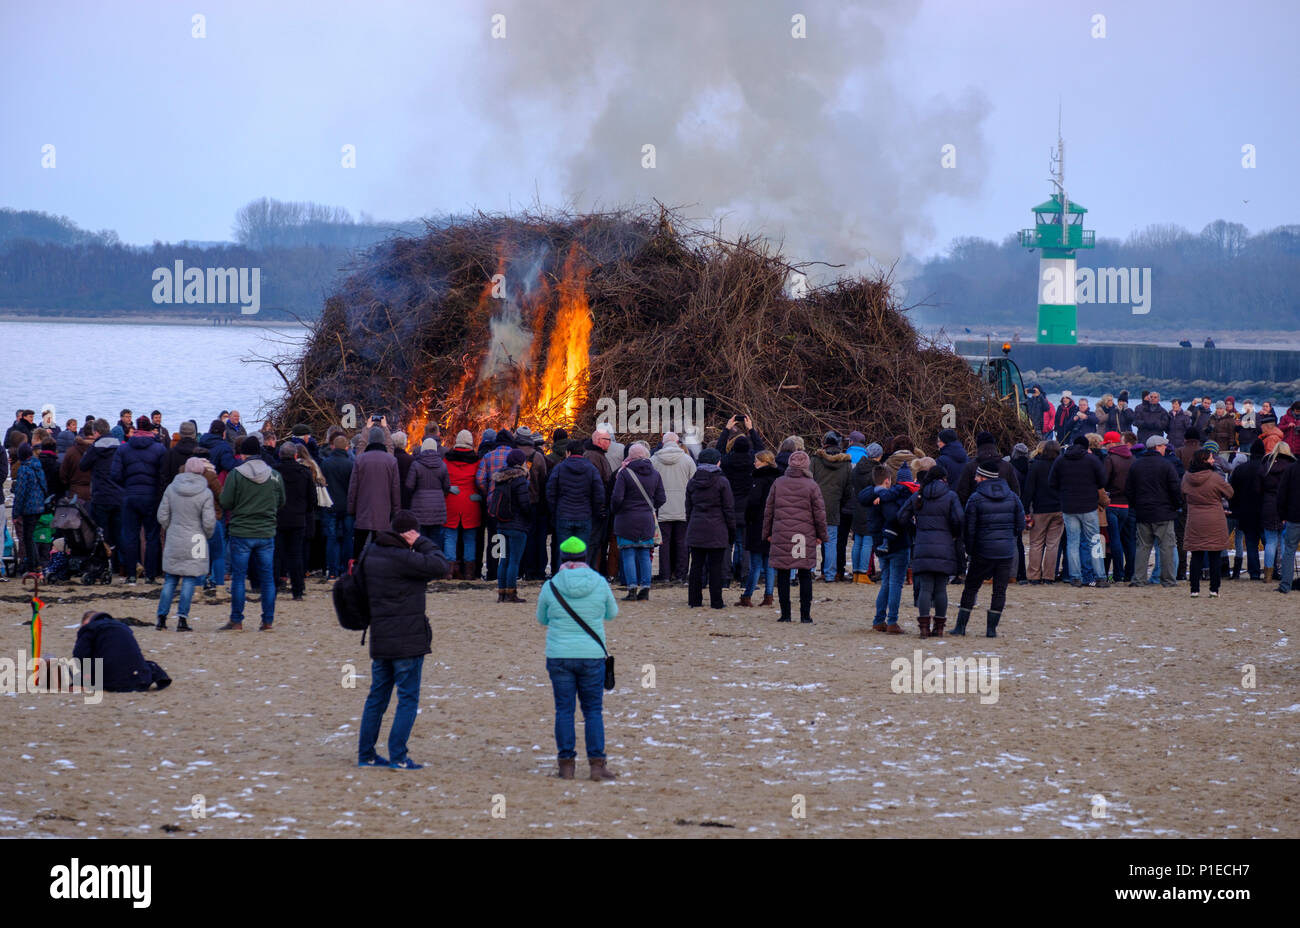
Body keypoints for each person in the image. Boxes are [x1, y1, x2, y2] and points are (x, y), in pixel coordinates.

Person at [356, 510, 450, 769]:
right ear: (410, 534)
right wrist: (421, 541)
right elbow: (441, 565)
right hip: (407, 639)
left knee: (377, 696)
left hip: (381, 636)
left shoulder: (371, 554)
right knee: (407, 698)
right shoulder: (405, 559)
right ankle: (398, 756)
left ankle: (366, 754)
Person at [536, 535, 619, 781]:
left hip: (559, 655)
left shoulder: (551, 585)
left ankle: (566, 765)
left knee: (564, 710)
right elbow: (612, 614)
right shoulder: (599, 582)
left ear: (561, 558)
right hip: (592, 655)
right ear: (586, 557)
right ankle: (596, 764)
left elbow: (542, 619)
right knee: (593, 710)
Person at [218, 436, 286, 631]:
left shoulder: (236, 474)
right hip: (266, 531)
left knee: (239, 578)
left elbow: (226, 502)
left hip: (241, 531)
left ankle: (237, 620)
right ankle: (267, 621)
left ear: (243, 454)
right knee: (267, 578)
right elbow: (281, 501)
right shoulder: (274, 475)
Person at [953, 464, 1024, 637]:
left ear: (984, 477)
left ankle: (961, 627)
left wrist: (970, 550)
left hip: (982, 551)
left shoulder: (976, 498)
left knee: (971, 588)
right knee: (999, 591)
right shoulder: (1013, 497)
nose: (975, 479)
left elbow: (969, 529)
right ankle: (991, 630)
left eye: (977, 476)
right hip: (1006, 551)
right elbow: (1020, 524)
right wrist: (1008, 538)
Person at [762, 449, 826, 623]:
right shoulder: (812, 485)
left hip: (781, 533)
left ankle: (785, 614)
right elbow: (819, 513)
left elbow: (769, 511)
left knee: (783, 574)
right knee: (804, 574)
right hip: (803, 536)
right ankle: (805, 615)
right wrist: (822, 535)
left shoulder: (778, 483)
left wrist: (767, 533)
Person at [899, 463, 963, 638]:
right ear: (944, 479)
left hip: (922, 545)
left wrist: (915, 531)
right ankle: (939, 628)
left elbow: (901, 516)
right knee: (941, 588)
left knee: (925, 588)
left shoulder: (919, 496)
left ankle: (924, 628)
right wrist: (953, 535)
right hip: (945, 546)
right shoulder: (950, 496)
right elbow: (959, 519)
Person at [155, 458, 217, 630]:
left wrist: (170, 528)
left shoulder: (171, 489)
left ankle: (161, 617)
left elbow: (162, 515)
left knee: (171, 579)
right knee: (190, 578)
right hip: (196, 539)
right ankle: (182, 618)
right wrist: (207, 535)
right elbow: (209, 522)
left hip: (175, 536)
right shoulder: (205, 493)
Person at [110, 416, 167, 585]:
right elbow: (163, 475)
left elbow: (115, 475)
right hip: (151, 497)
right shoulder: (159, 449)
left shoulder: (124, 449)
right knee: (152, 536)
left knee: (130, 536)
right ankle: (150, 575)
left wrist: (127, 486)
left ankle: (132, 575)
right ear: (150, 429)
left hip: (130, 495)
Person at [860, 464, 915, 631]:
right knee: (895, 583)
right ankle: (891, 621)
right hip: (897, 543)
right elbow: (895, 517)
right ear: (887, 480)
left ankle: (879, 620)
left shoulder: (871, 496)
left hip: (879, 543)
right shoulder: (889, 497)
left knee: (886, 582)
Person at [1050, 435, 1109, 587]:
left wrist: (1063, 494)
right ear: (1086, 446)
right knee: (1094, 541)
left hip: (1069, 507)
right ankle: (1101, 577)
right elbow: (1103, 481)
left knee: (1073, 542)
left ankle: (1075, 577)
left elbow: (1052, 482)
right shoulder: (1092, 460)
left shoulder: (1061, 460)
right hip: (1089, 506)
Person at [611, 443, 666, 601]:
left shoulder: (624, 473)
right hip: (646, 518)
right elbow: (662, 498)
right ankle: (646, 587)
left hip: (626, 519)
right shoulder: (655, 474)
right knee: (644, 553)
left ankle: (632, 588)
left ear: (630, 456)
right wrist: (649, 507)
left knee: (628, 553)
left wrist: (617, 510)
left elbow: (617, 498)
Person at [1125, 435, 1182, 588]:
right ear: (1157, 447)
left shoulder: (1136, 465)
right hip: (1164, 511)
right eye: (1163, 446)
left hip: (1143, 512)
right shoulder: (1166, 465)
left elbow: (1129, 489)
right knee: (1167, 547)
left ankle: (1139, 579)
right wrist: (1176, 506)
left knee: (1142, 547)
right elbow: (1175, 488)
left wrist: (1135, 506)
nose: (1165, 448)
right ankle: (1168, 580)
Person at [685, 447, 735, 610]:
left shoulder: (693, 481)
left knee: (696, 565)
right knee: (716, 566)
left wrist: (691, 523)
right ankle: (716, 601)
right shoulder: (722, 481)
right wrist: (731, 530)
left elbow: (689, 507)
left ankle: (694, 600)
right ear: (717, 462)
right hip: (717, 527)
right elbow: (728, 508)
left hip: (697, 525)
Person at [73, 611, 171, 692]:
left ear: (85, 623)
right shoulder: (123, 627)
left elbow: (80, 655)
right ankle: (160, 678)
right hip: (139, 679)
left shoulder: (90, 628)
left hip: (111, 681)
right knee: (148, 665)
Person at [1181, 448, 1233, 598]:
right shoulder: (1214, 477)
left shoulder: (1186, 477)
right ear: (1204, 461)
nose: (1213, 460)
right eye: (1211, 458)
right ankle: (1214, 589)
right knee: (1214, 555)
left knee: (1196, 555)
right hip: (1214, 519)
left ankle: (1194, 589)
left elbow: (1182, 493)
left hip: (1195, 519)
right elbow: (1230, 492)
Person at [650, 432, 696, 585]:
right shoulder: (687, 460)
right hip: (683, 507)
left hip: (661, 507)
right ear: (677, 442)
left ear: (663, 443)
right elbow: (694, 483)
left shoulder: (654, 460)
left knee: (664, 543)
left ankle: (665, 574)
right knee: (682, 542)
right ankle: (681, 574)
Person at [349, 426, 401, 559]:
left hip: (363, 509)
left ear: (369, 441)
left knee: (359, 545)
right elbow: (395, 488)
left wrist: (351, 508)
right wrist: (396, 510)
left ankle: (356, 568)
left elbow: (353, 486)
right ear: (383, 441)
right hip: (383, 510)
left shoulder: (360, 459)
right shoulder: (391, 461)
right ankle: (378, 569)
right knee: (380, 544)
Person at [490, 448, 534, 603]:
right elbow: (524, 504)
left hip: (501, 524)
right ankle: (511, 593)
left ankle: (501, 593)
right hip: (517, 525)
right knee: (514, 560)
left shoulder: (500, 478)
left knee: (504, 559)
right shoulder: (520, 480)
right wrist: (529, 517)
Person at [275, 442, 316, 601]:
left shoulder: (275, 472)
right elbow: (312, 498)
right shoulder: (304, 473)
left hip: (278, 517)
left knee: (277, 554)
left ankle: (276, 585)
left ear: (280, 455)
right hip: (298, 519)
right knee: (296, 555)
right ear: (295, 455)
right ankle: (297, 590)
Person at [811, 432, 853, 582]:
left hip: (814, 505)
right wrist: (841, 502)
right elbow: (849, 489)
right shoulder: (846, 464)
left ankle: (809, 571)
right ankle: (829, 574)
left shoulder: (815, 460)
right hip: (834, 506)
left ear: (825, 444)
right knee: (831, 541)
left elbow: (809, 481)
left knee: (811, 539)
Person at [740, 450, 779, 606]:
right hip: (774, 523)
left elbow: (753, 502)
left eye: (757, 460)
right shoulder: (778, 479)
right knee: (769, 562)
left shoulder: (758, 479)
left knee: (755, 564)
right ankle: (768, 595)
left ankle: (747, 595)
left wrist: (748, 518)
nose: (754, 463)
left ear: (764, 462)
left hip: (758, 523)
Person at [1022, 440, 1064, 583]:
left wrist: (1026, 509)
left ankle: (1034, 576)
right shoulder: (1060, 465)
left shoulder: (1036, 466)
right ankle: (1048, 576)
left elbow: (1029, 489)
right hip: (1058, 509)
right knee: (1053, 545)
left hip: (1040, 509)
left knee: (1036, 543)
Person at [442, 430, 482, 579]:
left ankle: (449, 571)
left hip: (451, 502)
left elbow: (442, 479)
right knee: (470, 538)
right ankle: (470, 572)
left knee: (450, 537)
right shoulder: (477, 461)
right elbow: (481, 481)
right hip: (471, 503)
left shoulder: (446, 460)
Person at [1102, 431, 1137, 583]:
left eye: (1107, 443)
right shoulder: (1132, 458)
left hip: (1113, 503)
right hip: (1127, 504)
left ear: (1112, 443)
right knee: (1129, 540)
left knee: (1114, 540)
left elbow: (1103, 480)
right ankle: (1130, 573)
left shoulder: (1110, 459)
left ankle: (1118, 574)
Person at [1228, 440, 1266, 581]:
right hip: (1264, 511)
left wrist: (1235, 509)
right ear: (1263, 453)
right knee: (1269, 543)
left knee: (1251, 543)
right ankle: (1271, 571)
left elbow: (1232, 491)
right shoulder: (1266, 468)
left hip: (1245, 511)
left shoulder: (1240, 469)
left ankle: (1254, 573)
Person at [319, 434, 355, 580]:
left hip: (330, 506)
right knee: (347, 539)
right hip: (347, 507)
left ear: (333, 446)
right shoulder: (351, 464)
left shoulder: (326, 463)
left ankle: (332, 571)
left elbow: (322, 484)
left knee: (332, 539)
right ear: (346, 447)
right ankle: (346, 570)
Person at [1259, 442, 1295, 582]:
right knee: (1286, 542)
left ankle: (1268, 575)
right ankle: (1285, 574)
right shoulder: (1292, 467)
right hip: (1287, 507)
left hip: (1269, 505)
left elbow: (1258, 489)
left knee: (1271, 541)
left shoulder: (1267, 466)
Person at [406, 437, 450, 548]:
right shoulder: (442, 465)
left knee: (420, 541)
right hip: (437, 509)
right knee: (436, 542)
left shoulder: (416, 465)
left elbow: (409, 486)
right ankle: (434, 562)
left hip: (419, 508)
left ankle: (421, 563)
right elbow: (447, 487)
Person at [11, 444, 48, 574]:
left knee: (28, 537)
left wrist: (15, 513)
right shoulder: (37, 466)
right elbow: (44, 485)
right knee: (30, 535)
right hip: (39, 505)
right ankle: (35, 565)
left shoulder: (24, 469)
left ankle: (35, 565)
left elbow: (21, 493)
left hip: (29, 507)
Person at [1274, 442, 1300, 594]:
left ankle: (1285, 585)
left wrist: (1282, 514)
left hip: (1293, 516)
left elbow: (1281, 494)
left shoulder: (1291, 469)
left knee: (1289, 551)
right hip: (1292, 515)